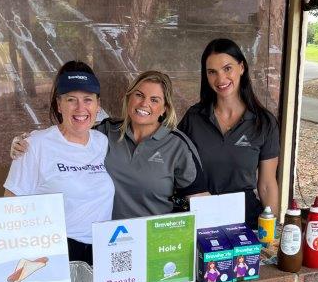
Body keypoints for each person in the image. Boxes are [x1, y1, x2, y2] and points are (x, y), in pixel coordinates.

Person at [11, 70, 207, 220]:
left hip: (154, 241)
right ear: (129, 97)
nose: (144, 103)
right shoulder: (105, 132)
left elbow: (201, 201)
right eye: (139, 95)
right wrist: (27, 141)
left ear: (164, 108)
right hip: (106, 239)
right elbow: (70, 130)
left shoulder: (178, 145)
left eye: (154, 99)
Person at [4, 61, 114, 265]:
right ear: (58, 104)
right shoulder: (34, 145)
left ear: (98, 106)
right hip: (57, 253)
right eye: (71, 100)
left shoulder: (101, 142)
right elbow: (9, 208)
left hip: (102, 248)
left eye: (88, 100)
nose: (81, 108)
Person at [178, 38, 280, 229]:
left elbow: (266, 184)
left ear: (241, 67)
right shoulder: (194, 118)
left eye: (227, 68)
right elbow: (176, 165)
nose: (221, 79)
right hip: (200, 217)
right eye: (212, 72)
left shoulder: (264, 123)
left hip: (245, 219)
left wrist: (271, 230)